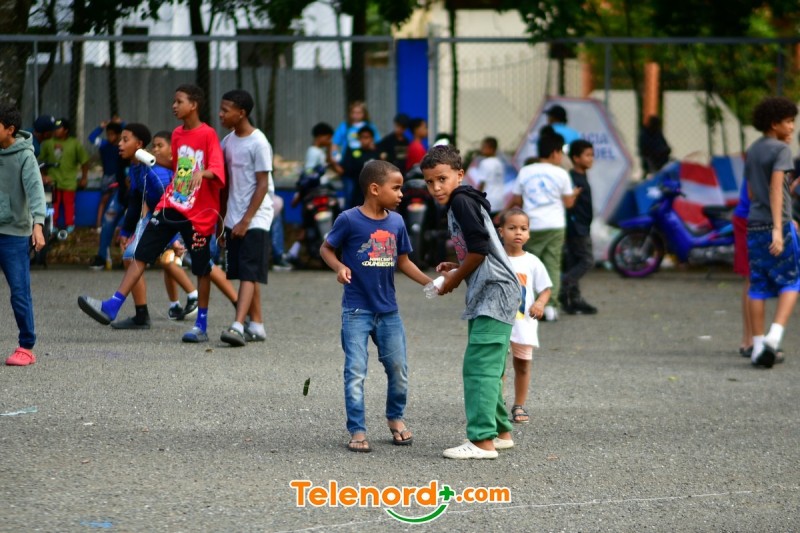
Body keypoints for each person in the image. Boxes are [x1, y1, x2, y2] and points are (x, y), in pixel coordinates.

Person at [78, 83, 226, 343]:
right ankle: (112, 305)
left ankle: (201, 325)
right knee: (140, 252)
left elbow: (217, 167)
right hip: (172, 204)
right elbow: (176, 164)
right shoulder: (177, 134)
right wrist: (150, 158)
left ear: (194, 105)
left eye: (179, 101)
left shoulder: (208, 134)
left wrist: (202, 172)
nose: (173, 106)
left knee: (202, 268)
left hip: (198, 211)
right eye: (173, 101)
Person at [320, 159, 432, 453]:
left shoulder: (397, 222)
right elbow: (326, 248)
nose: (401, 194)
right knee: (355, 371)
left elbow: (403, 261)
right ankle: (357, 430)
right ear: (374, 189)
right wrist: (339, 267)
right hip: (356, 310)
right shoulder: (348, 219)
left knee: (399, 369)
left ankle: (395, 417)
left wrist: (431, 283)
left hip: (388, 311)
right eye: (396, 188)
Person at [421, 144, 520, 460]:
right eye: (430, 182)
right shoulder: (462, 202)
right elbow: (479, 250)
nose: (436, 187)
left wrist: (454, 279)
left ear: (460, 175)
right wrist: (457, 266)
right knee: (490, 366)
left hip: (495, 293)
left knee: (479, 367)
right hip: (491, 291)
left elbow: (479, 250)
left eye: (442, 179)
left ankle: (482, 442)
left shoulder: (461, 201)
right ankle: (501, 432)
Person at [745, 96, 798, 368]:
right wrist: (779, 227)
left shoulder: (753, 149)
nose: (792, 127)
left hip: (753, 223)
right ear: (774, 123)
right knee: (792, 282)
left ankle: (756, 348)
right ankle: (773, 339)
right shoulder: (781, 150)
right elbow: (776, 187)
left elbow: (752, 191)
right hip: (777, 225)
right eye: (788, 121)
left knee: (758, 286)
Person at [218, 89, 273, 346]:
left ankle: (238, 325)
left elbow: (263, 185)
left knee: (249, 272)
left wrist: (246, 220)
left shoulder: (259, 142)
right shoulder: (227, 142)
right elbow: (225, 184)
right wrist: (223, 221)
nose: (220, 114)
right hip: (234, 216)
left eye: (225, 110)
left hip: (256, 217)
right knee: (245, 272)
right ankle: (257, 325)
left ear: (241, 113)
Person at [506, 133, 580, 321]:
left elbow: (517, 200)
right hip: (555, 225)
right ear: (555, 152)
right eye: (561, 153)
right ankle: (550, 307)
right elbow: (568, 203)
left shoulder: (526, 171)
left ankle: (527, 306)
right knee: (552, 264)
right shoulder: (561, 173)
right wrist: (574, 195)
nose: (561, 157)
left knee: (528, 264)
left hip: (530, 226)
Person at [0, 104, 46, 366]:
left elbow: (35, 191)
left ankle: (26, 346)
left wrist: (37, 225)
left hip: (14, 234)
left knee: (19, 291)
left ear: (10, 129)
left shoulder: (25, 156)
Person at [498, 208, 552, 424]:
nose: (518, 232)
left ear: (529, 234)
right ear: (501, 231)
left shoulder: (532, 262)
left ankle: (519, 404)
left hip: (523, 323)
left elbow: (545, 289)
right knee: (497, 366)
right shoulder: (495, 258)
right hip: (498, 321)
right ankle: (497, 403)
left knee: (522, 364)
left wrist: (540, 303)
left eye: (523, 228)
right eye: (512, 228)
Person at [285, 122, 335, 264]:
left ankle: (294, 253)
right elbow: (308, 174)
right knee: (306, 224)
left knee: (307, 224)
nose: (329, 141)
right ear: (320, 137)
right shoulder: (313, 152)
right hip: (313, 193)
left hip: (318, 192)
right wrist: (300, 194)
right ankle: (293, 253)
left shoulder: (318, 151)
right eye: (328, 138)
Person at [561, 139, 598, 315]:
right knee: (587, 260)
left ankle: (574, 299)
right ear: (576, 158)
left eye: (592, 155)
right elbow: (568, 203)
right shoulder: (573, 179)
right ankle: (563, 285)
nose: (591, 158)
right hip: (577, 228)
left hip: (582, 225)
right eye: (587, 155)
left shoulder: (581, 176)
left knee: (574, 262)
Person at [38, 118, 89, 234]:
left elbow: (84, 161)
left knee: (69, 205)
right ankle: (52, 226)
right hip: (52, 181)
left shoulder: (74, 144)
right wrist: (43, 176)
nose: (56, 131)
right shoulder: (48, 143)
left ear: (66, 130)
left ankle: (70, 226)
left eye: (59, 129)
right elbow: (41, 162)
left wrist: (84, 177)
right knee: (52, 205)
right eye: (55, 129)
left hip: (68, 181)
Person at [89, 119, 125, 231]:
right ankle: (99, 225)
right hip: (107, 177)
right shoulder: (104, 145)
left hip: (119, 177)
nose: (110, 137)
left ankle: (118, 225)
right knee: (104, 200)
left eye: (112, 134)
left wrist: (121, 123)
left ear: (118, 135)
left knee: (119, 201)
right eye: (108, 134)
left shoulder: (122, 147)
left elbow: (130, 135)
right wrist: (101, 127)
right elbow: (91, 138)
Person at [333, 125, 379, 209]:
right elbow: (346, 170)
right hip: (357, 189)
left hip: (375, 190)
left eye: (367, 137)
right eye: (362, 137)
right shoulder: (354, 153)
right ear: (359, 139)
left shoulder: (377, 153)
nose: (364, 140)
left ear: (372, 138)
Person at [732, 176, 753, 359]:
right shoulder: (773, 158)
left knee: (752, 279)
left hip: (750, 216)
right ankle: (751, 340)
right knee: (753, 279)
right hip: (752, 219)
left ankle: (750, 339)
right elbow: (755, 193)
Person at [471, 136, 505, 216]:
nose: (481, 149)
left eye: (484, 147)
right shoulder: (499, 163)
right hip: (499, 201)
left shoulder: (485, 163)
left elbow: (482, 183)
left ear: (491, 149)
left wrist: (477, 198)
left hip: (488, 199)